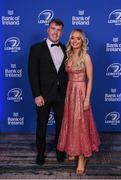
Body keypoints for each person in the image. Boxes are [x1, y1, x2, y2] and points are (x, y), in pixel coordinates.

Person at [57, 29, 101, 175]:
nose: (75, 41)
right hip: (70, 93)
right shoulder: (68, 55)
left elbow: (90, 79)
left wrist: (87, 98)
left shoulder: (86, 57)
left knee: (81, 123)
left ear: (83, 41)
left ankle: (82, 158)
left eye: (78, 39)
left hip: (81, 93)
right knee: (71, 122)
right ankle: (74, 150)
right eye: (73, 38)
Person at [28, 18, 68, 165]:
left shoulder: (65, 48)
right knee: (42, 124)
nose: (55, 32)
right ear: (47, 29)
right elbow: (32, 73)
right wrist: (36, 94)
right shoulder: (36, 48)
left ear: (61, 32)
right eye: (53, 29)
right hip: (43, 95)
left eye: (58, 30)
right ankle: (40, 152)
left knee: (61, 125)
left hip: (61, 95)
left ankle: (59, 150)